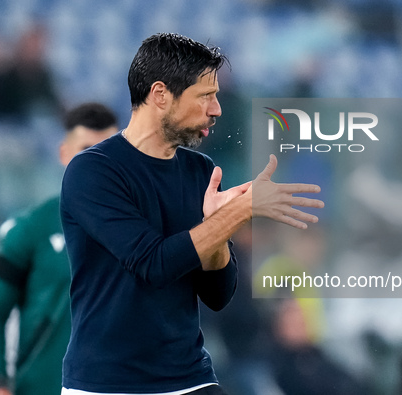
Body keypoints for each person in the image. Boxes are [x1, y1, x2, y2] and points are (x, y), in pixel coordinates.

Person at [59, 32, 324, 395]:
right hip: (107, 381)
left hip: (189, 377)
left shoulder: (201, 170)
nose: (216, 109)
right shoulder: (93, 171)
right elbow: (153, 265)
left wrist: (219, 228)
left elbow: (217, 294)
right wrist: (233, 215)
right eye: (205, 97)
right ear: (160, 95)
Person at [0, 103, 118, 395]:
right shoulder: (30, 229)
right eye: (86, 149)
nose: (97, 161)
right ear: (64, 153)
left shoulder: (143, 226)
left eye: (107, 150)